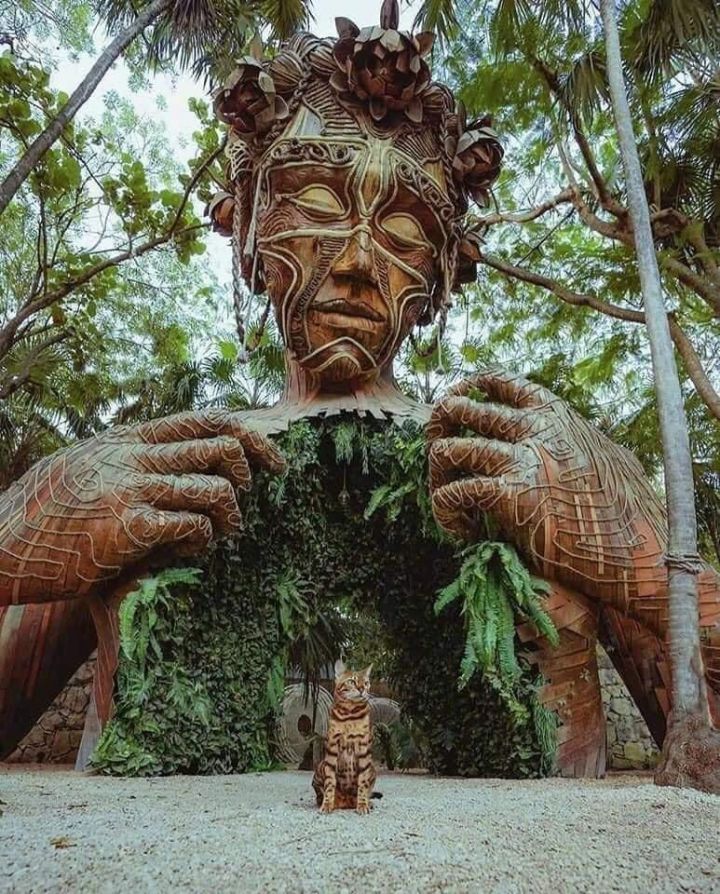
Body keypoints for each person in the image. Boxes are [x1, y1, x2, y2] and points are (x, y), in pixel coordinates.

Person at [1, 3, 718, 775]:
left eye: (406, 229)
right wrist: (27, 522)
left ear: (443, 272)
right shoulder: (167, 477)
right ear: (247, 228)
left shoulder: (524, 460)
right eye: (314, 201)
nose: (356, 262)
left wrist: (637, 557)